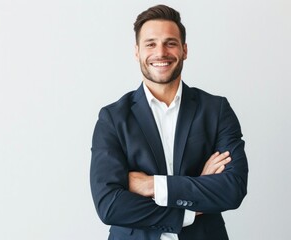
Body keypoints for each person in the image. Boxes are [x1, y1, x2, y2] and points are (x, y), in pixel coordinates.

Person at [90, 4, 248, 240]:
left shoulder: (216, 110)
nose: (161, 52)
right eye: (151, 44)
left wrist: (152, 185)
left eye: (170, 43)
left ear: (184, 50)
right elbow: (109, 205)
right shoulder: (112, 118)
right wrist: (191, 206)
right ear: (137, 52)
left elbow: (232, 189)